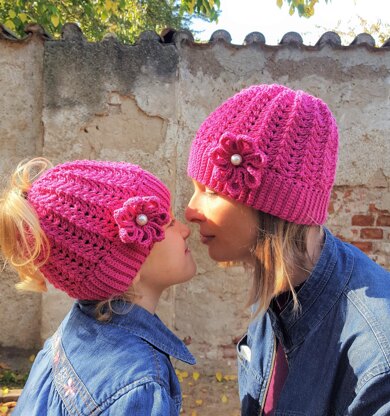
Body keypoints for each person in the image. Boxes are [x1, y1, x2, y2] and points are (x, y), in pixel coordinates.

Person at [185, 84, 390, 415]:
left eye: (210, 190)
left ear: (275, 206)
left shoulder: (376, 355)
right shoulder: (283, 293)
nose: (190, 211)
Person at [0, 158, 196, 415]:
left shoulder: (68, 339)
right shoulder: (138, 386)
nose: (185, 230)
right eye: (169, 222)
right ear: (130, 264)